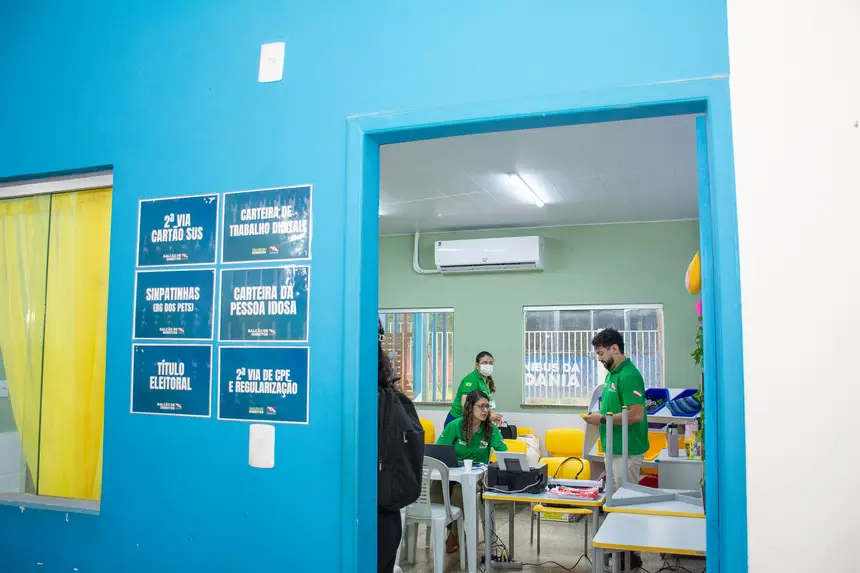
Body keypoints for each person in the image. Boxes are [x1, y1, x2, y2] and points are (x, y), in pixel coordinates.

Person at [582, 327, 648, 570]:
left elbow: (636, 414)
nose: (599, 359)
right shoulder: (612, 375)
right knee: (614, 501)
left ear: (615, 348)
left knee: (626, 502)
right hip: (614, 449)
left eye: (601, 353)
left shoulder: (628, 376)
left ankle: (631, 553)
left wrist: (601, 419)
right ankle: (620, 548)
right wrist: (598, 417)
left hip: (628, 451)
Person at [433, 390, 508, 553]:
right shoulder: (455, 426)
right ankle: (451, 527)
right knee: (434, 489)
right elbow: (438, 451)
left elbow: (504, 453)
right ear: (469, 407)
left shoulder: (490, 429)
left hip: (475, 479)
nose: (486, 410)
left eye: (488, 406)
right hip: (451, 473)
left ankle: (454, 535)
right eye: (481, 406)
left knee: (460, 491)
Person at [445, 351, 503, 427]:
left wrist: (492, 414)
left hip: (472, 421)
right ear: (477, 365)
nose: (488, 365)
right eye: (485, 363)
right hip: (457, 420)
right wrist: (488, 416)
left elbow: (482, 403)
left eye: (490, 363)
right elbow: (465, 404)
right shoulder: (471, 379)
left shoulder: (486, 381)